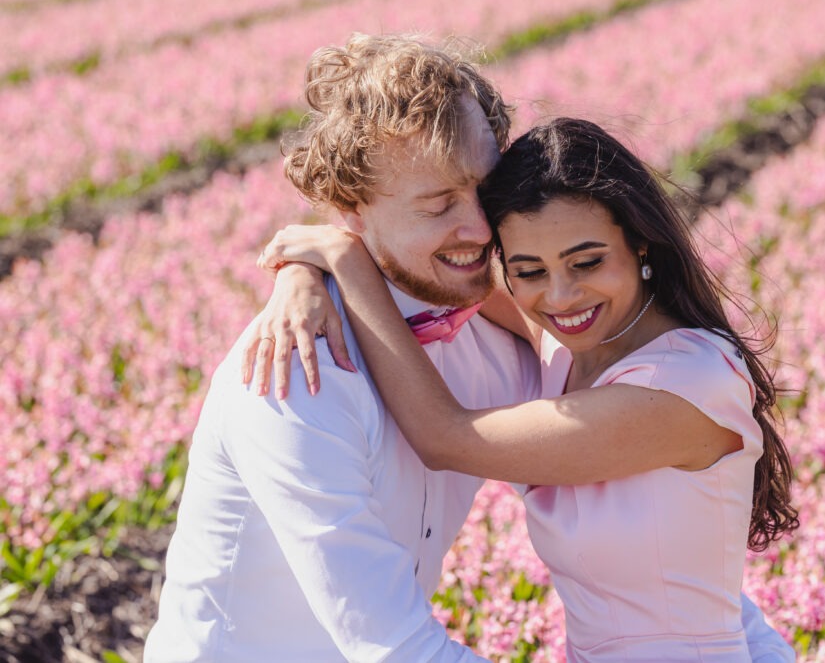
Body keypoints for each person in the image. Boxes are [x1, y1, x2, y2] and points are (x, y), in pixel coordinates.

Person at [253, 117, 800, 661]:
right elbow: (428, 266)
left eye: (587, 262)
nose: (561, 297)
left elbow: (446, 438)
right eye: (529, 271)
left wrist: (345, 263)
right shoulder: (571, 348)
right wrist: (302, 274)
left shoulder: (684, 385)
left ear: (640, 244)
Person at [145, 34, 540, 662]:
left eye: (486, 191)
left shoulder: (499, 333)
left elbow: (609, 523)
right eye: (438, 206)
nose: (481, 227)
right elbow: (396, 649)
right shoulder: (295, 368)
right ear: (347, 211)